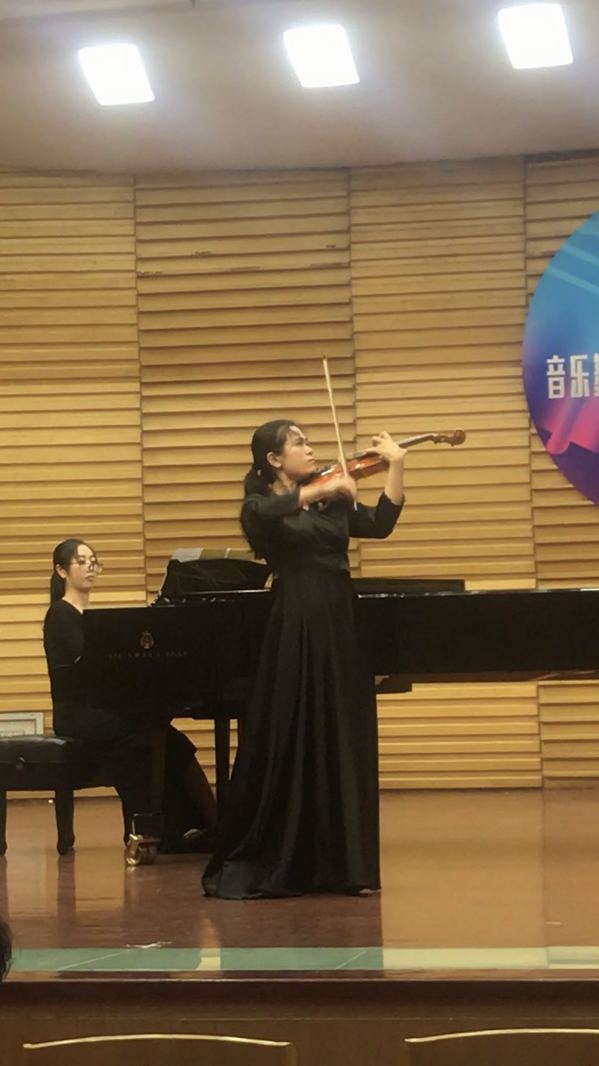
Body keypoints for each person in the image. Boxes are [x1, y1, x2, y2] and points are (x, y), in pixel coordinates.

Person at [202, 420, 405, 899]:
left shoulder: (331, 499)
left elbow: (379, 524)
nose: (311, 449)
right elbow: (266, 512)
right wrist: (324, 489)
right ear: (274, 459)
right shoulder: (260, 507)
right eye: (300, 443)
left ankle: (344, 865)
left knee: (342, 730)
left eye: (309, 442)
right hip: (296, 620)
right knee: (293, 730)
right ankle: (283, 857)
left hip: (340, 619)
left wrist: (396, 466)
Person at [43, 539, 217, 855]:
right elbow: (85, 672)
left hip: (102, 708)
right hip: (76, 713)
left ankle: (211, 827)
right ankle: (142, 830)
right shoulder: (60, 615)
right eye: (81, 561)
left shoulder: (91, 616)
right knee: (139, 738)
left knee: (172, 742)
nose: (90, 567)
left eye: (93, 561)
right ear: (61, 570)